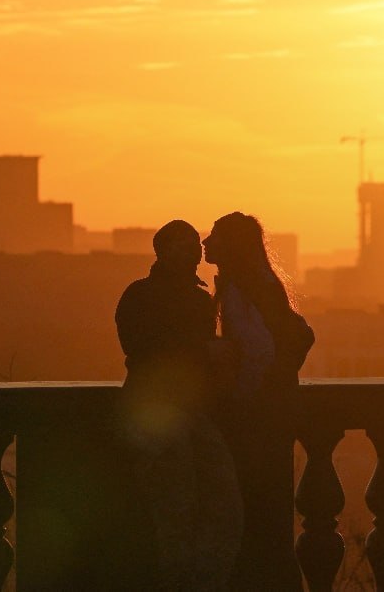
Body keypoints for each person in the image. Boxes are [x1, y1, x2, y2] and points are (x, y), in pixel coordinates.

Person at [114, 219, 243, 591]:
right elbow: (141, 349)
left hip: (184, 412)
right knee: (174, 508)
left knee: (207, 503)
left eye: (193, 246)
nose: (192, 252)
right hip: (158, 413)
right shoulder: (142, 295)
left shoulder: (197, 299)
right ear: (161, 251)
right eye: (181, 245)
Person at [203, 212, 315, 591]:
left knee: (256, 509)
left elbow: (259, 350)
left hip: (259, 415)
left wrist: (242, 395)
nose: (206, 242)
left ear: (231, 244)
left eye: (214, 236)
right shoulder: (255, 281)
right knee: (269, 508)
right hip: (272, 412)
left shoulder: (244, 285)